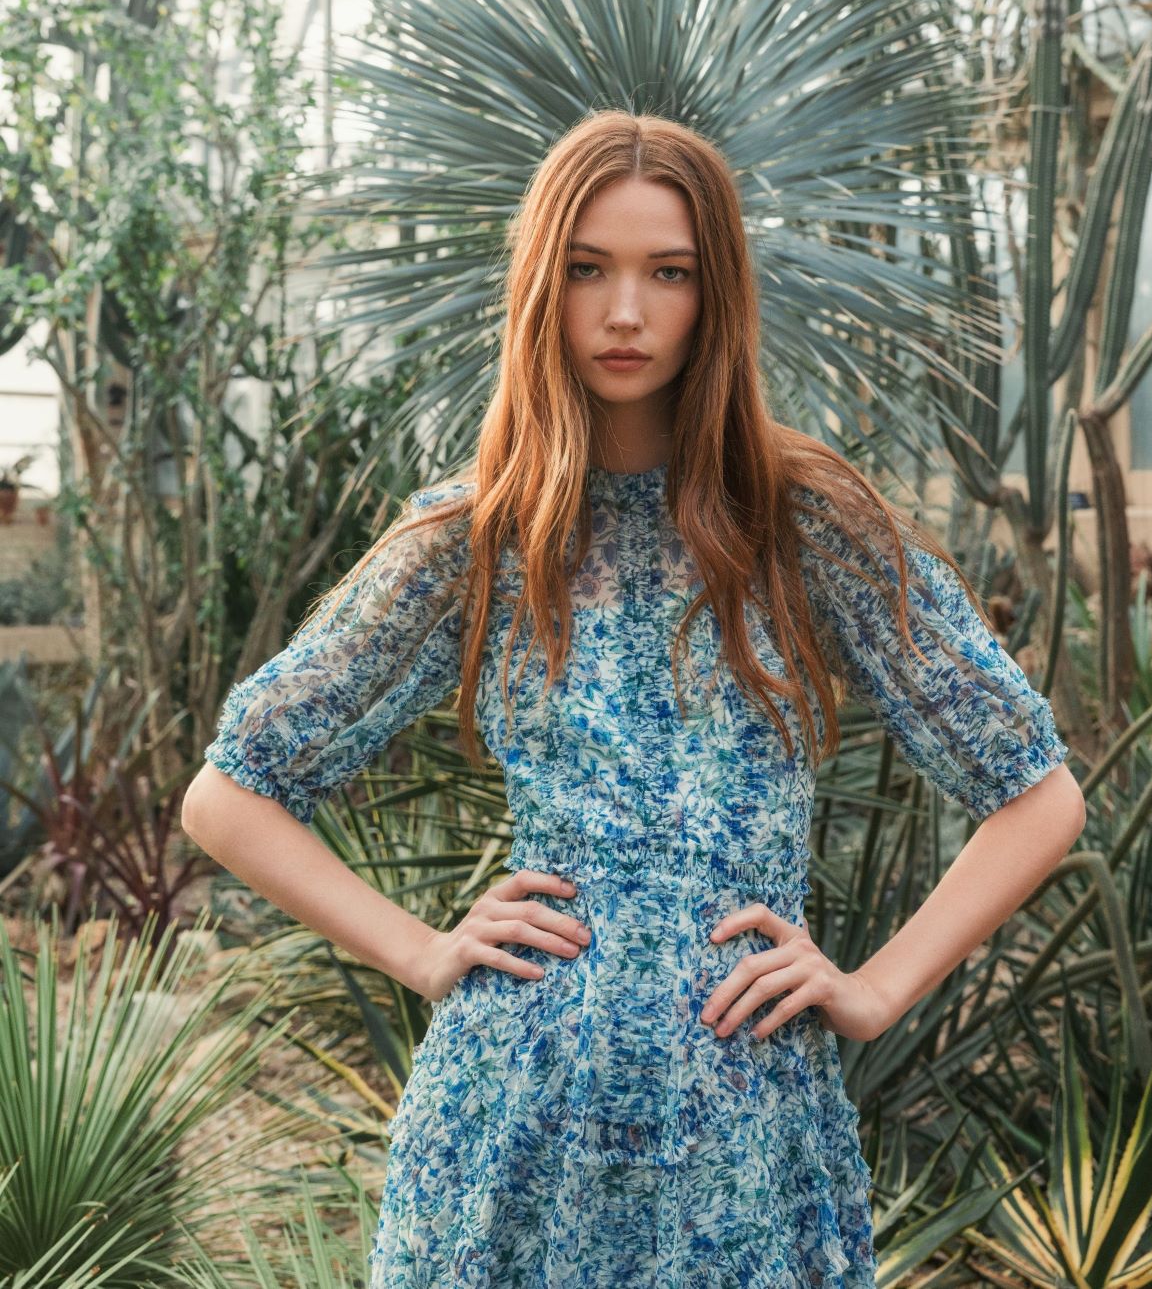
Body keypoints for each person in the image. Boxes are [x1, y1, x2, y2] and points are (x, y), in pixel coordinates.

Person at [180, 109, 1086, 1287]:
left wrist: (870, 991)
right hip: (511, 1128)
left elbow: (1036, 793)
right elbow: (227, 794)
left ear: (715, 297)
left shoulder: (807, 524)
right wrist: (419, 952)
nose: (623, 311)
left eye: (667, 273)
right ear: (538, 288)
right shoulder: (474, 536)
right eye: (586, 270)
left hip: (745, 1136)